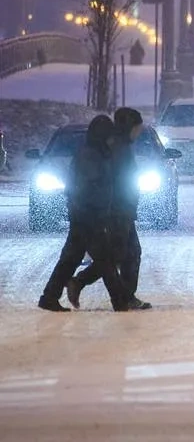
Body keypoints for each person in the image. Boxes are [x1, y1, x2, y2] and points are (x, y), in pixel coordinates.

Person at [38, 115, 129, 312]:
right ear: (103, 135)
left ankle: (50, 296)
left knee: (71, 258)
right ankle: (120, 301)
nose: (112, 140)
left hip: (84, 214)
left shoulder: (95, 153)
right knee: (106, 259)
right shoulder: (91, 156)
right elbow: (90, 187)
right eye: (109, 135)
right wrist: (100, 210)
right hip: (88, 215)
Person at [69, 107, 151, 310]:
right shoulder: (118, 148)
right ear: (129, 126)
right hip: (117, 210)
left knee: (122, 254)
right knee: (122, 254)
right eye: (137, 128)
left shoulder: (118, 145)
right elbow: (113, 182)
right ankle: (121, 295)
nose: (138, 133)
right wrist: (115, 208)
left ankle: (86, 284)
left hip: (121, 209)